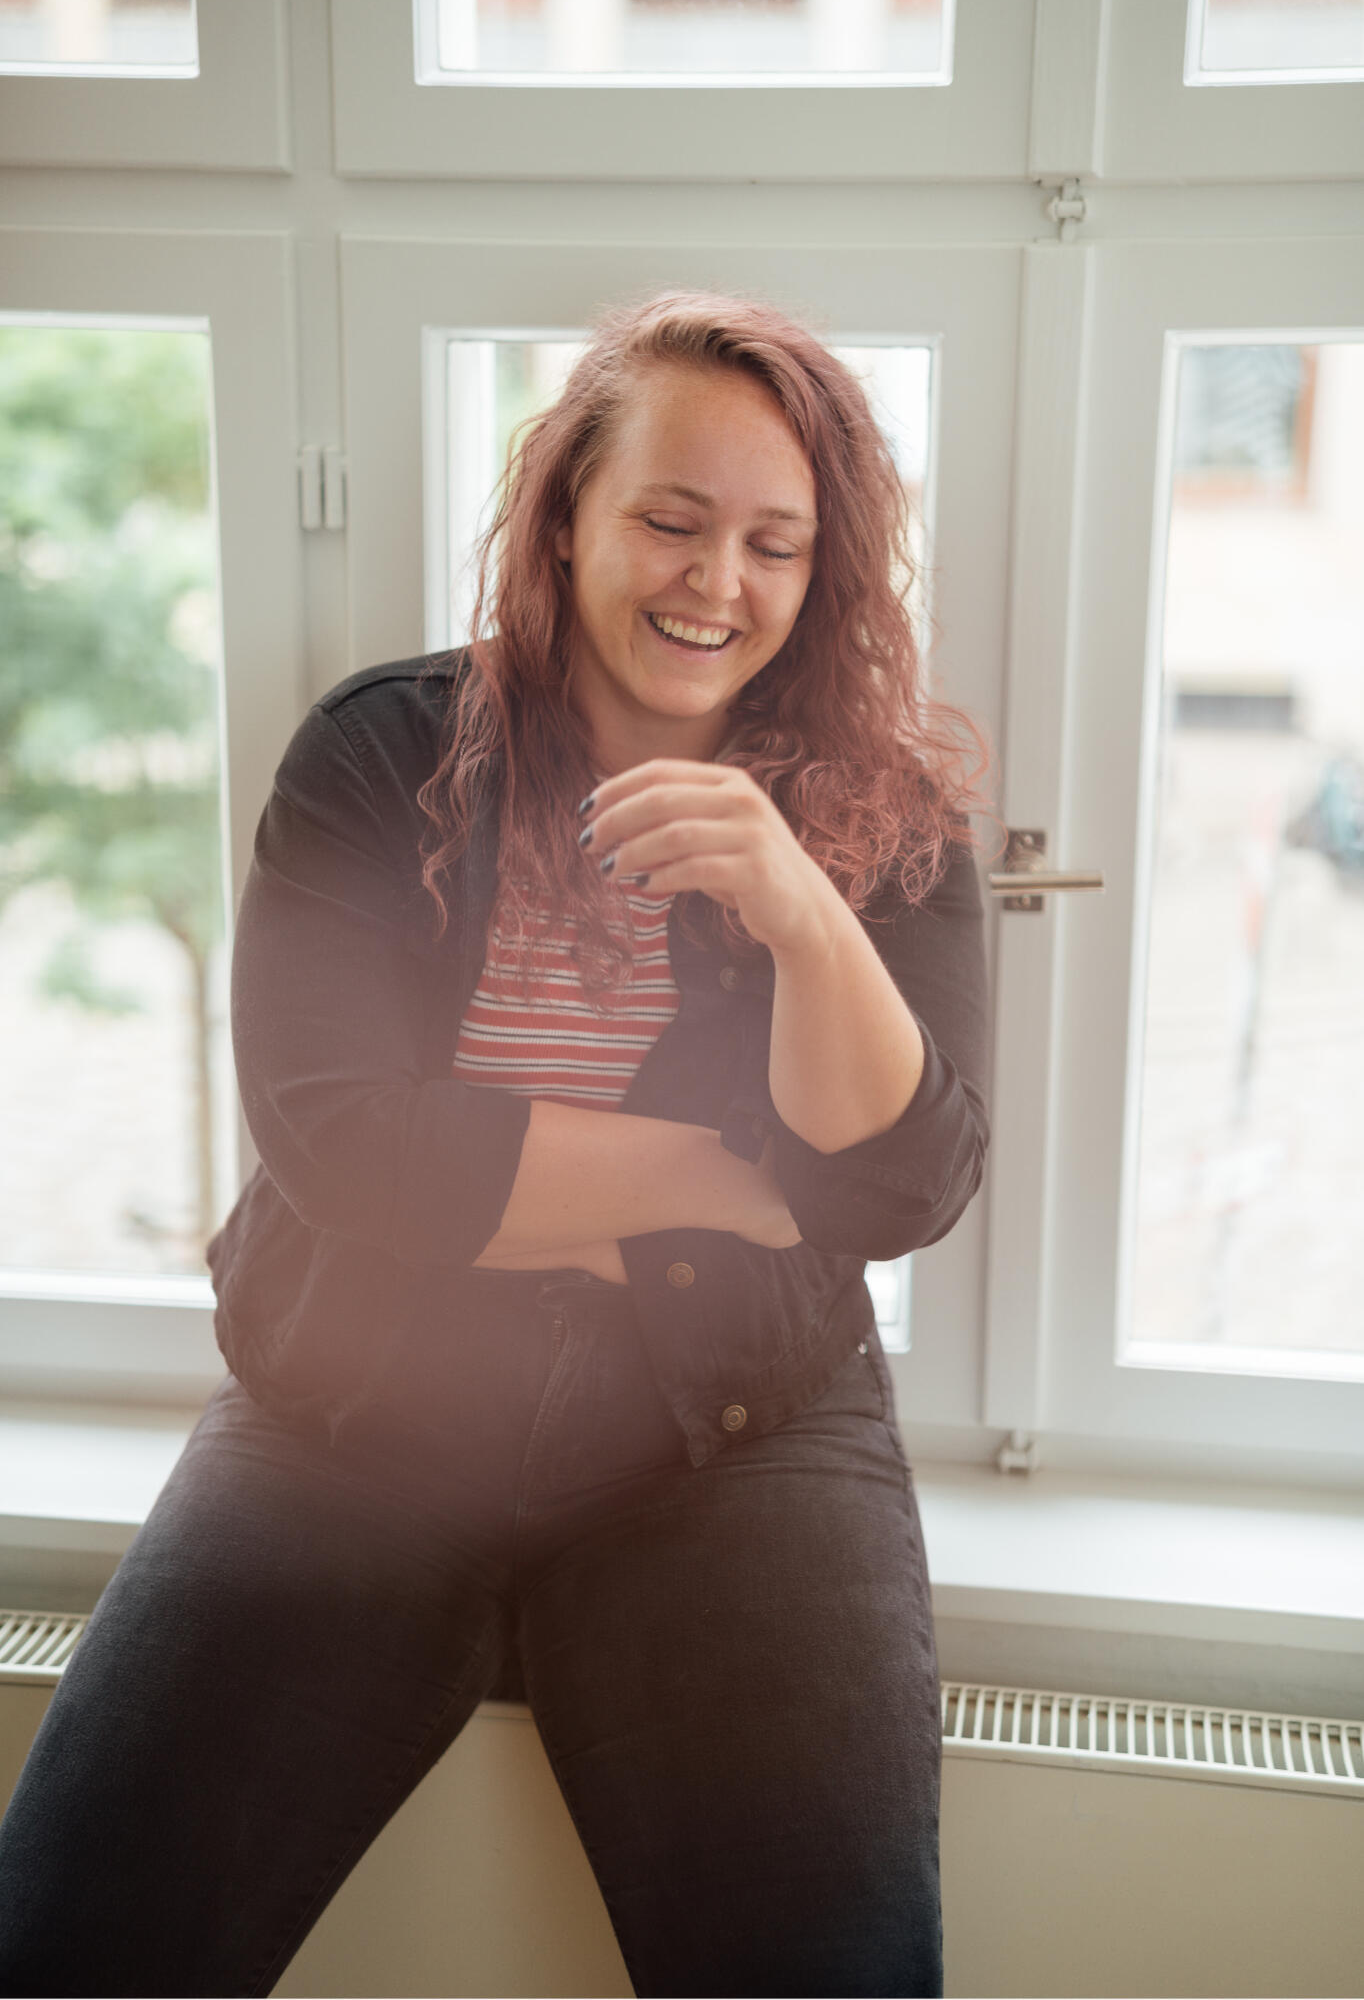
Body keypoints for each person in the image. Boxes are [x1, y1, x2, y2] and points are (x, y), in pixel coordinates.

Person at [0, 289, 995, 1998]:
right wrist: (743, 1179)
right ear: (567, 516)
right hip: (354, 1410)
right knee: (70, 1946)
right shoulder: (379, 754)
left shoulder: (880, 814)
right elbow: (349, 1149)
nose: (718, 580)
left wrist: (801, 911)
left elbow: (900, 1184)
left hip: (736, 1431)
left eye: (775, 543)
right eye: (670, 520)